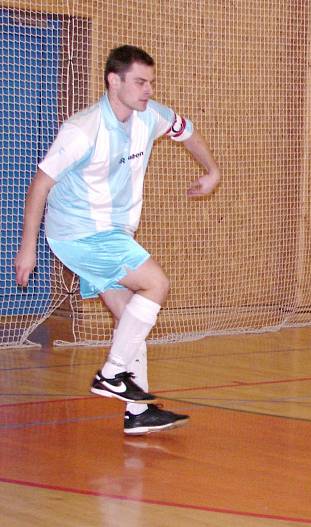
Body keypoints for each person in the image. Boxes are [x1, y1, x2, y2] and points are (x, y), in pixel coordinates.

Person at [14, 45, 221, 434]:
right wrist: (28, 248)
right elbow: (40, 184)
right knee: (156, 284)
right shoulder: (83, 129)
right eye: (140, 82)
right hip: (81, 232)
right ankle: (111, 374)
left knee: (131, 318)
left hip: (112, 232)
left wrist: (211, 170)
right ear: (114, 80)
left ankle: (138, 413)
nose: (147, 90)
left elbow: (187, 131)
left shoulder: (150, 116)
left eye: (150, 82)